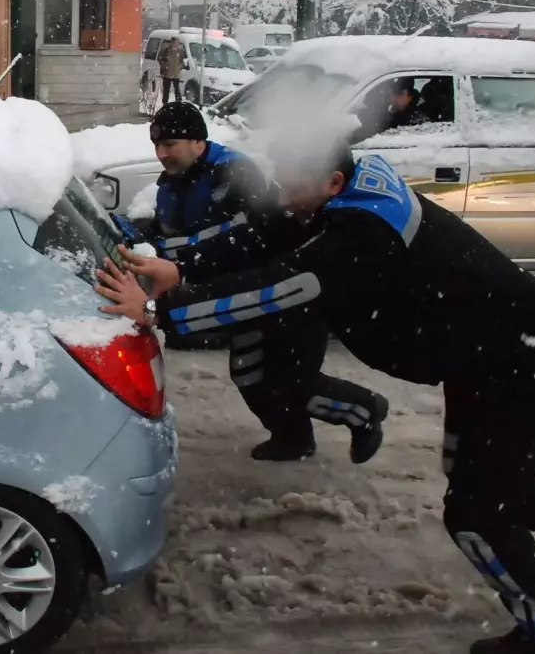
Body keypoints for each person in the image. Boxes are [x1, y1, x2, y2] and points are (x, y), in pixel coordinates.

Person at [96, 144, 535, 654]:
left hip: (522, 362)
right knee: (490, 486)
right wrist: (182, 271)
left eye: (291, 187)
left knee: (478, 510)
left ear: (333, 182)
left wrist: (163, 311)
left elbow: (279, 286)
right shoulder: (328, 195)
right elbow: (266, 235)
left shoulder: (359, 234)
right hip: (495, 355)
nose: (282, 197)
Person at [142, 102, 388, 463]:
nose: (162, 154)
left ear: (198, 142)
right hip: (245, 290)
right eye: (158, 147)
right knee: (250, 374)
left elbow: (241, 235)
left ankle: (362, 410)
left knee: (291, 381)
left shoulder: (235, 174)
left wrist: (170, 261)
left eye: (171, 144)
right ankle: (293, 437)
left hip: (286, 291)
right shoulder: (177, 179)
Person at [159, 36, 184, 107]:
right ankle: (165, 104)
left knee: (177, 90)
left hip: (176, 74)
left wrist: (180, 67)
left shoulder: (180, 51)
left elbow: (182, 61)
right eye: (175, 42)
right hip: (167, 74)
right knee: (166, 90)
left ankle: (178, 104)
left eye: (177, 43)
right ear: (172, 43)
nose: (176, 44)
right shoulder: (166, 51)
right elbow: (160, 59)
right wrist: (165, 65)